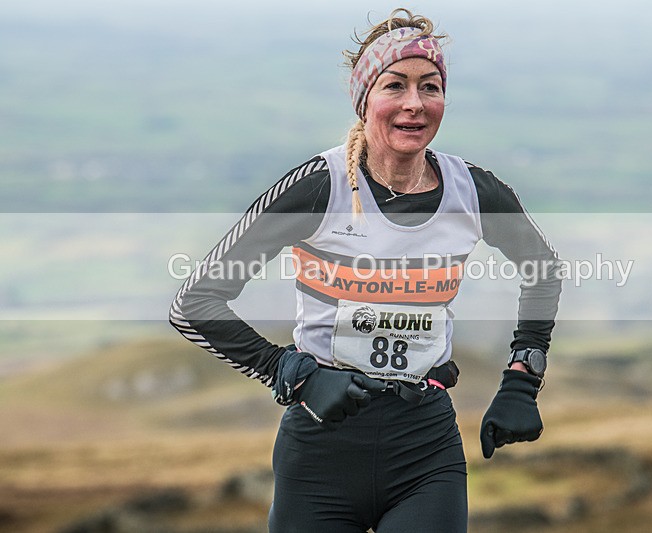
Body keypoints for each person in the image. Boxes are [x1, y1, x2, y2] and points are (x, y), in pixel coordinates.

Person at [169, 8, 561, 532]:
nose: (414, 104)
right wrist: (294, 373)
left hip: (426, 448)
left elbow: (543, 269)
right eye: (395, 85)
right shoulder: (319, 186)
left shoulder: (473, 190)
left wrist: (521, 380)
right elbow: (194, 303)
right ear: (365, 99)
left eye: (431, 87)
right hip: (320, 452)